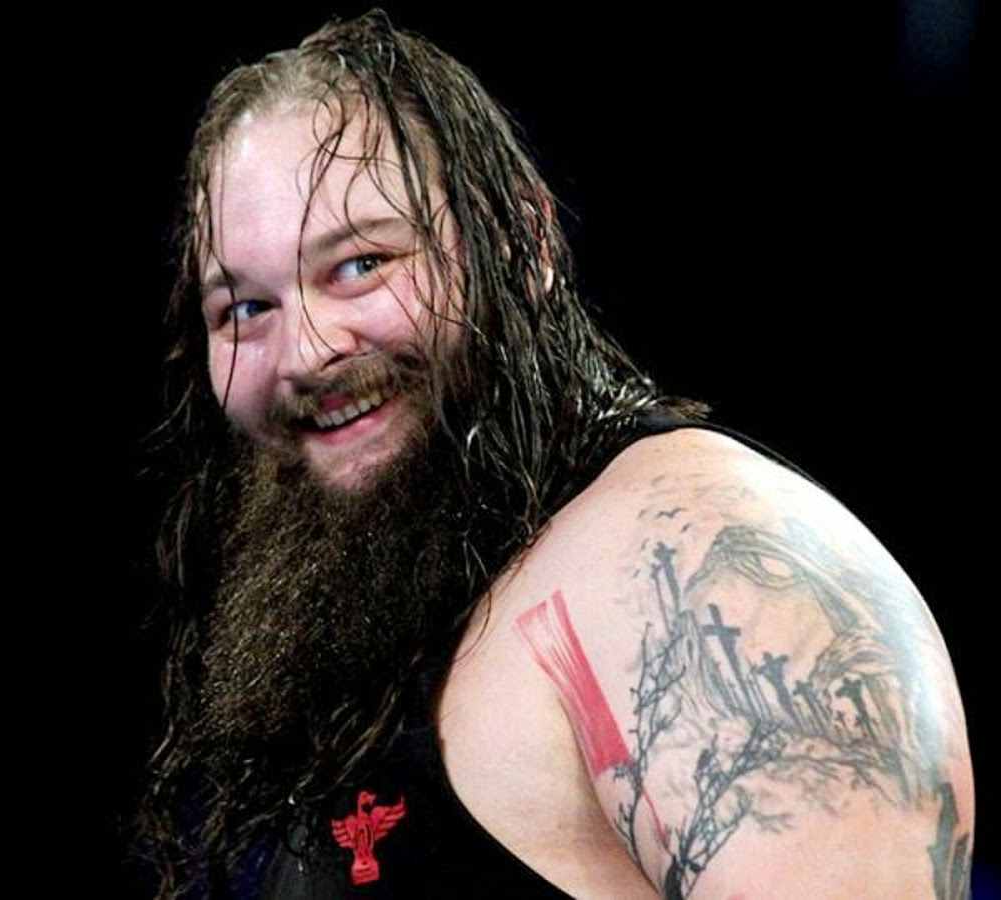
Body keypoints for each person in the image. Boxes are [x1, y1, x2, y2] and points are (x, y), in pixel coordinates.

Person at [133, 10, 973, 898]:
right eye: (246, 310)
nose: (305, 354)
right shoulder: (386, 606)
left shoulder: (707, 564)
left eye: (360, 264)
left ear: (521, 243)